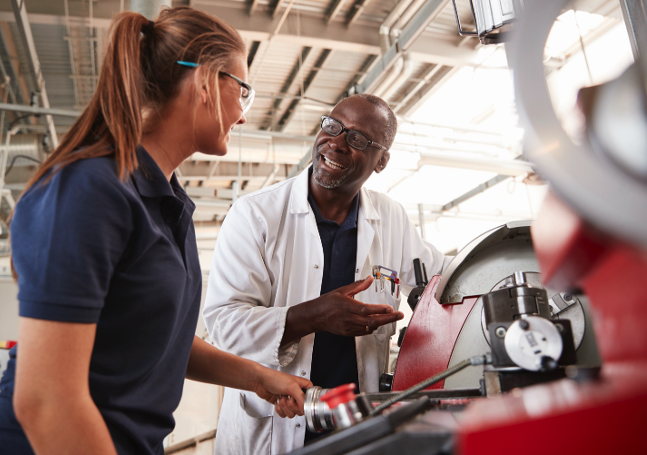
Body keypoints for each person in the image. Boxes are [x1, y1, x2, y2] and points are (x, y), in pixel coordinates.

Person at [0, 7, 311, 455]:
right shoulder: (90, 191)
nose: (243, 115)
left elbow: (159, 339)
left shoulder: (167, 202)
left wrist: (259, 377)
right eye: (242, 90)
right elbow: (46, 401)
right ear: (204, 80)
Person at [203, 93, 450, 454]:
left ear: (381, 161)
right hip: (274, 426)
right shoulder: (255, 215)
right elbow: (224, 325)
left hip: (355, 427)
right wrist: (316, 315)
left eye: (358, 139)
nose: (335, 143)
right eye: (333, 126)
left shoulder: (390, 217)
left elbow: (445, 279)